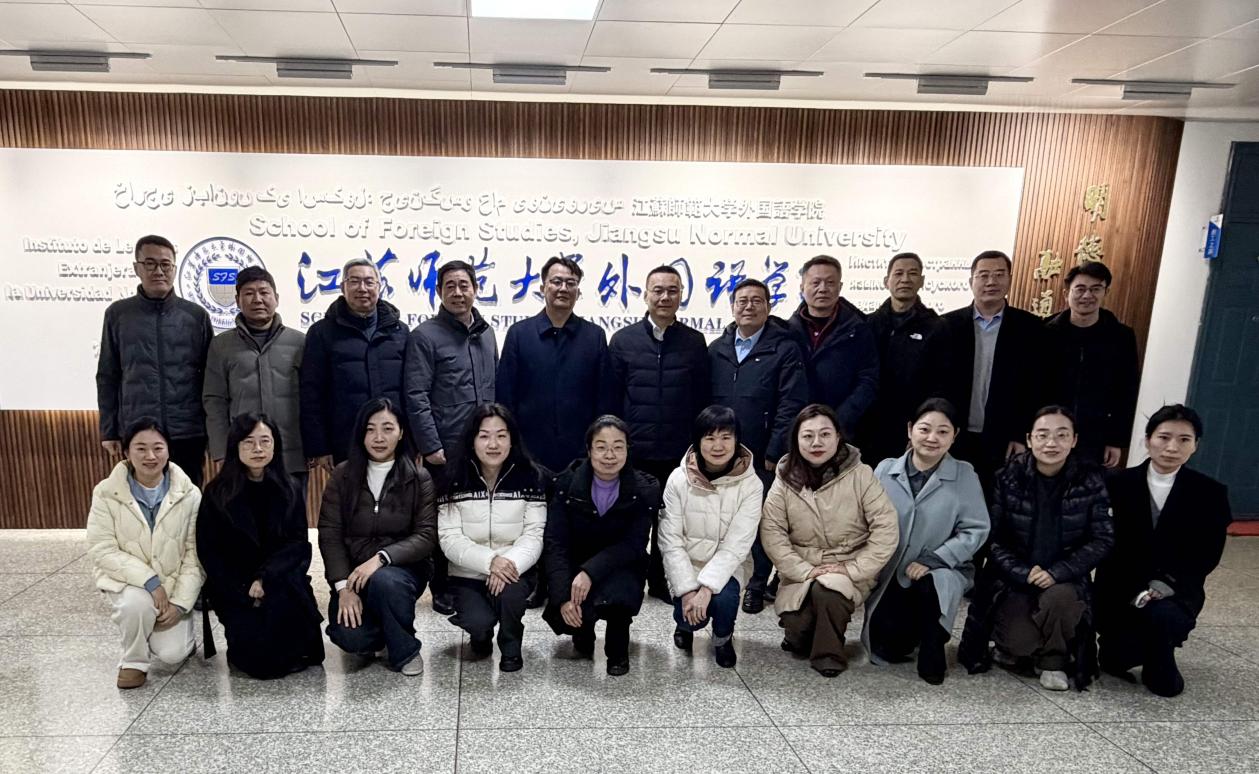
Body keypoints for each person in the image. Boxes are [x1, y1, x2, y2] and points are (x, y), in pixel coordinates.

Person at [958, 406, 1114, 691]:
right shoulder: (1007, 477)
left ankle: (1053, 660)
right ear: (1029, 439)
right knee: (1019, 641)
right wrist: (1023, 572)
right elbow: (991, 537)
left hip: (1064, 579)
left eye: (1061, 435)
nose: (1051, 443)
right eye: (1042, 435)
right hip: (1015, 580)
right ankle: (1027, 648)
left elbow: (1102, 538)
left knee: (1060, 600)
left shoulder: (1090, 480)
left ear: (1074, 440)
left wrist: (1058, 572)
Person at [1095, 405, 1233, 697]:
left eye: (1184, 440)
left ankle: (1160, 657)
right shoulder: (1115, 484)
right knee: (1115, 657)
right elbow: (1101, 542)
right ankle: (1127, 647)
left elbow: (1207, 553)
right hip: (1120, 587)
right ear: (1148, 440)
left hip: (1176, 589)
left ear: (1195, 445)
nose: (1172, 447)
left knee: (1163, 619)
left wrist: (1166, 583)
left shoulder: (1210, 492)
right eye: (1164, 437)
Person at [760, 404, 898, 677]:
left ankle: (829, 655)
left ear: (838, 436)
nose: (816, 443)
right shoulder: (785, 478)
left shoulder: (861, 474)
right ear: (796, 440)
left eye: (825, 434)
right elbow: (772, 531)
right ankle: (801, 635)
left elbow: (886, 527)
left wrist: (852, 569)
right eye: (808, 436)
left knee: (829, 593)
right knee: (798, 630)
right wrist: (804, 570)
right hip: (803, 568)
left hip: (848, 565)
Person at [862, 399, 990, 684]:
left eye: (943, 432)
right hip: (892, 571)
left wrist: (935, 559)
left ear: (955, 436)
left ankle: (933, 648)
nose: (932, 438)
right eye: (925, 429)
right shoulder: (885, 470)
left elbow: (976, 529)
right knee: (888, 647)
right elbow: (866, 519)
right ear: (910, 430)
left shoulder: (965, 475)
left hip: (943, 567)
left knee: (934, 585)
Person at [608, 265, 709, 602]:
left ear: (681, 295)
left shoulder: (694, 342)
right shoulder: (623, 341)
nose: (665, 297)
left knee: (670, 521)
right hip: (633, 451)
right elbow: (612, 399)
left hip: (677, 450)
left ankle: (661, 579)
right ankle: (629, 578)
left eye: (672, 290)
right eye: (658, 290)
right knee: (632, 519)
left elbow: (702, 399)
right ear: (645, 294)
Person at [196, 413, 323, 679]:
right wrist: (245, 586)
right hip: (236, 587)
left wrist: (266, 577)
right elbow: (209, 550)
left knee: (301, 654)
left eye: (265, 441)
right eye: (249, 442)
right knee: (259, 663)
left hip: (280, 579)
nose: (258, 449)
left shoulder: (289, 487)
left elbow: (298, 543)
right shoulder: (217, 492)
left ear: (275, 445)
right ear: (235, 446)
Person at [405, 259, 498, 615]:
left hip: (484, 448)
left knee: (476, 517)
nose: (458, 292)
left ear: (475, 289)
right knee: (444, 520)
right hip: (445, 449)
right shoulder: (425, 336)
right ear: (439, 292)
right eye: (450, 286)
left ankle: (473, 582)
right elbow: (416, 395)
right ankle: (442, 587)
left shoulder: (486, 333)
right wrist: (431, 446)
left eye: (464, 285)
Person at [708, 278, 806, 614]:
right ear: (732, 307)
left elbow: (791, 403)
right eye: (742, 301)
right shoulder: (717, 349)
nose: (748, 306)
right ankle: (717, 579)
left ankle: (757, 584)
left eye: (756, 300)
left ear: (768, 306)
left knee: (762, 522)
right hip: (720, 452)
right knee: (721, 520)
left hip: (762, 454)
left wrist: (775, 450)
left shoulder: (784, 349)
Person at [318, 398, 437, 676]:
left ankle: (405, 650)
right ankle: (384, 629)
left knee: (386, 582)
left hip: (402, 570)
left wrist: (382, 558)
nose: (379, 438)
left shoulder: (418, 477)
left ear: (401, 432)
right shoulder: (342, 475)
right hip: (354, 574)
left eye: (387, 428)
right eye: (370, 429)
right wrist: (343, 588)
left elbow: (426, 535)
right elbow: (330, 534)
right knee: (351, 639)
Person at [86, 418, 203, 689]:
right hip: (129, 582)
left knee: (172, 654)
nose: (150, 456)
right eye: (140, 448)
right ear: (127, 452)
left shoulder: (189, 494)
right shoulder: (106, 492)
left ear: (168, 450)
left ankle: (160, 628)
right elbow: (102, 549)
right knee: (135, 604)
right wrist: (150, 581)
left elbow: (194, 555)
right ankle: (134, 661)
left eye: (158, 448)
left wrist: (180, 604)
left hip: (172, 585)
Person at [542, 415, 658, 676]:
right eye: (601, 446)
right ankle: (583, 632)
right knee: (572, 613)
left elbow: (634, 544)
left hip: (621, 565)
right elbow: (556, 544)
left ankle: (617, 649)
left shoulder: (642, 488)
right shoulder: (566, 484)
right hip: (577, 564)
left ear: (627, 450)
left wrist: (590, 572)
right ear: (589, 450)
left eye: (618, 446)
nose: (610, 455)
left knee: (618, 598)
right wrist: (562, 597)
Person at [97, 235, 214, 487]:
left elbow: (210, 378)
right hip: (139, 431)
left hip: (188, 430)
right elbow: (108, 374)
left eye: (165, 264)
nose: (158, 271)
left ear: (174, 268)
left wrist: (212, 431)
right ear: (136, 268)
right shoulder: (118, 315)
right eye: (150, 264)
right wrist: (109, 429)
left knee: (189, 497)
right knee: (141, 498)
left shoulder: (195, 316)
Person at [438, 404, 548, 673]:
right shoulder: (453, 478)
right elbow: (450, 539)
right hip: (466, 573)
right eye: (484, 436)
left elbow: (533, 535)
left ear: (512, 439)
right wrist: (490, 562)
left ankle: (511, 647)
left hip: (515, 569)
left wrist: (506, 565)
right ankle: (481, 634)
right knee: (478, 622)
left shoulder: (531, 477)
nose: (493, 444)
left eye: (501, 435)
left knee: (511, 595)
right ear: (472, 440)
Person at [931, 250, 1045, 494]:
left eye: (999, 274)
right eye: (983, 275)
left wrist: (1021, 434)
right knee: (952, 499)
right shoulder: (946, 325)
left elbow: (1035, 387)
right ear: (971, 281)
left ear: (1010, 279)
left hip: (1005, 439)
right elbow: (935, 383)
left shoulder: (1030, 328)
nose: (991, 281)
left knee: (999, 502)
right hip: (955, 435)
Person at [658, 406, 763, 669]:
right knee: (690, 613)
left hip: (729, 563)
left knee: (723, 599)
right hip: (688, 562)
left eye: (726, 437)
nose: (718, 446)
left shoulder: (751, 484)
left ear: (737, 440)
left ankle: (723, 638)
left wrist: (706, 589)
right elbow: (670, 541)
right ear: (698, 441)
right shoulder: (678, 479)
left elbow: (737, 545)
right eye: (710, 437)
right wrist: (687, 590)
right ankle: (684, 626)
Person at [496, 255, 614, 474]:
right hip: (528, 452)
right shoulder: (519, 334)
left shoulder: (594, 336)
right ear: (543, 287)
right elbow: (505, 396)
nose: (563, 288)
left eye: (571, 283)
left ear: (578, 291)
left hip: (581, 454)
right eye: (556, 282)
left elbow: (604, 399)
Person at [203, 266, 307, 488]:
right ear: (237, 300)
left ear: (276, 298)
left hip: (291, 457)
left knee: (292, 511)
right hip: (242, 458)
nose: (257, 299)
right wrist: (221, 451)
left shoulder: (299, 342)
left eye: (264, 292)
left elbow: (313, 399)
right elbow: (214, 400)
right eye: (249, 293)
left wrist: (315, 447)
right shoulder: (221, 346)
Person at [299, 257, 408, 467]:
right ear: (343, 287)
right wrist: (320, 447)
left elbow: (411, 390)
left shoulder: (400, 331)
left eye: (369, 282)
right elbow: (311, 394)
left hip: (395, 442)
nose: (362, 288)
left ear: (379, 286)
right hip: (345, 442)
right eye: (355, 281)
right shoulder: (322, 332)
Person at [1043, 262, 1140, 469]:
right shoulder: (1045, 333)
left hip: (1095, 436)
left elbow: (1127, 391)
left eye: (1096, 289)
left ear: (1106, 292)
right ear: (1066, 293)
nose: (1087, 295)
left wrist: (1116, 440)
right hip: (1049, 431)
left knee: (1089, 485)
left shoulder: (1121, 337)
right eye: (1080, 289)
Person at [859, 252, 944, 465]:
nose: (905, 279)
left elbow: (940, 385)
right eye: (898, 273)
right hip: (868, 430)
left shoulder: (937, 327)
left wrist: (922, 429)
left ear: (922, 281)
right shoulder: (868, 325)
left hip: (911, 430)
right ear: (886, 281)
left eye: (912, 273)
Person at [785, 255, 879, 440]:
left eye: (830, 283)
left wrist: (839, 420)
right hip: (797, 429)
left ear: (840, 287)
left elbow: (868, 380)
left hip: (844, 430)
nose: (823, 289)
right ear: (802, 287)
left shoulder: (859, 330)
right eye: (815, 283)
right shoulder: (787, 330)